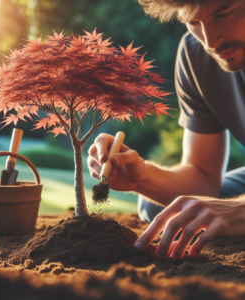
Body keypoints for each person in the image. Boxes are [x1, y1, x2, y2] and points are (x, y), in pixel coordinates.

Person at [87, 0, 245, 259]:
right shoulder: (197, 54)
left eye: (223, 14)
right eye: (193, 21)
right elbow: (203, 177)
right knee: (164, 206)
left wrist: (239, 211)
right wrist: (141, 177)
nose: (210, 40)